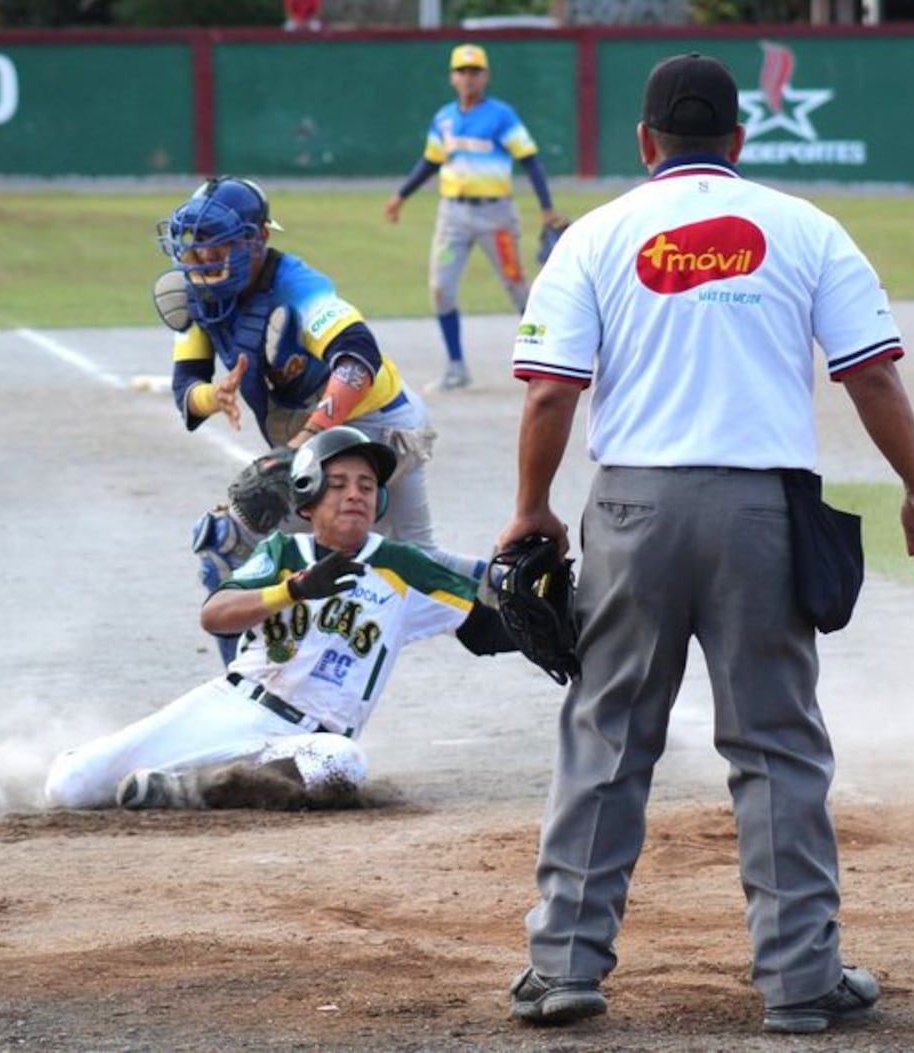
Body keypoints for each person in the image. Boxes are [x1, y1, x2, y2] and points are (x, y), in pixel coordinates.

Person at [496, 53, 914, 1034]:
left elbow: (549, 392)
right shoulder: (809, 229)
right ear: (740, 142)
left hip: (632, 514)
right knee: (777, 746)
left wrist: (532, 508)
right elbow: (871, 377)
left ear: (645, 142)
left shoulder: (596, 236)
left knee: (608, 737)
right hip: (761, 516)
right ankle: (799, 980)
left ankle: (567, 966)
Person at [44, 426, 515, 811]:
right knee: (69, 785)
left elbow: (485, 631)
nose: (355, 495)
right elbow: (216, 616)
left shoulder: (402, 566)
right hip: (231, 707)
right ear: (307, 498)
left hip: (305, 744)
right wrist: (293, 589)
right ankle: (178, 783)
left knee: (343, 765)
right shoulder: (284, 551)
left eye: (367, 487)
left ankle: (193, 790)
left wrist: (579, 625)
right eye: (338, 484)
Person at [156, 174, 485, 592]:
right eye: (194, 239)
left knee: (229, 545)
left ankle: (256, 661)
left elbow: (357, 356)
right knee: (417, 565)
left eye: (216, 238)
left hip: (375, 424)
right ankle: (514, 585)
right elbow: (186, 388)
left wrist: (300, 449)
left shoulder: (296, 286)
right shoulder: (199, 292)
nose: (200, 252)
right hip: (337, 431)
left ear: (256, 239)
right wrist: (213, 396)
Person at [384, 43, 566, 393]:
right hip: (452, 216)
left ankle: (550, 361)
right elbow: (431, 162)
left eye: (475, 71)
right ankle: (456, 368)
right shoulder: (444, 118)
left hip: (496, 216)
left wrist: (546, 206)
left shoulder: (502, 116)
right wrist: (401, 196)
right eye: (462, 72)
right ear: (453, 77)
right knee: (441, 289)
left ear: (486, 76)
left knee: (518, 289)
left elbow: (530, 160)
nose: (469, 78)